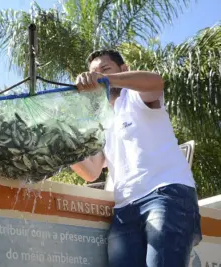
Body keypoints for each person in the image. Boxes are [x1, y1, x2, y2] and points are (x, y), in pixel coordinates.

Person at [71, 49, 202, 267]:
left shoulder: (135, 96)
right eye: (93, 73)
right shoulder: (102, 121)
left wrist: (104, 79)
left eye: (105, 69)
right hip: (125, 210)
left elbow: (155, 82)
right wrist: (59, 144)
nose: (98, 76)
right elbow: (91, 171)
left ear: (124, 70)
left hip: (166, 195)